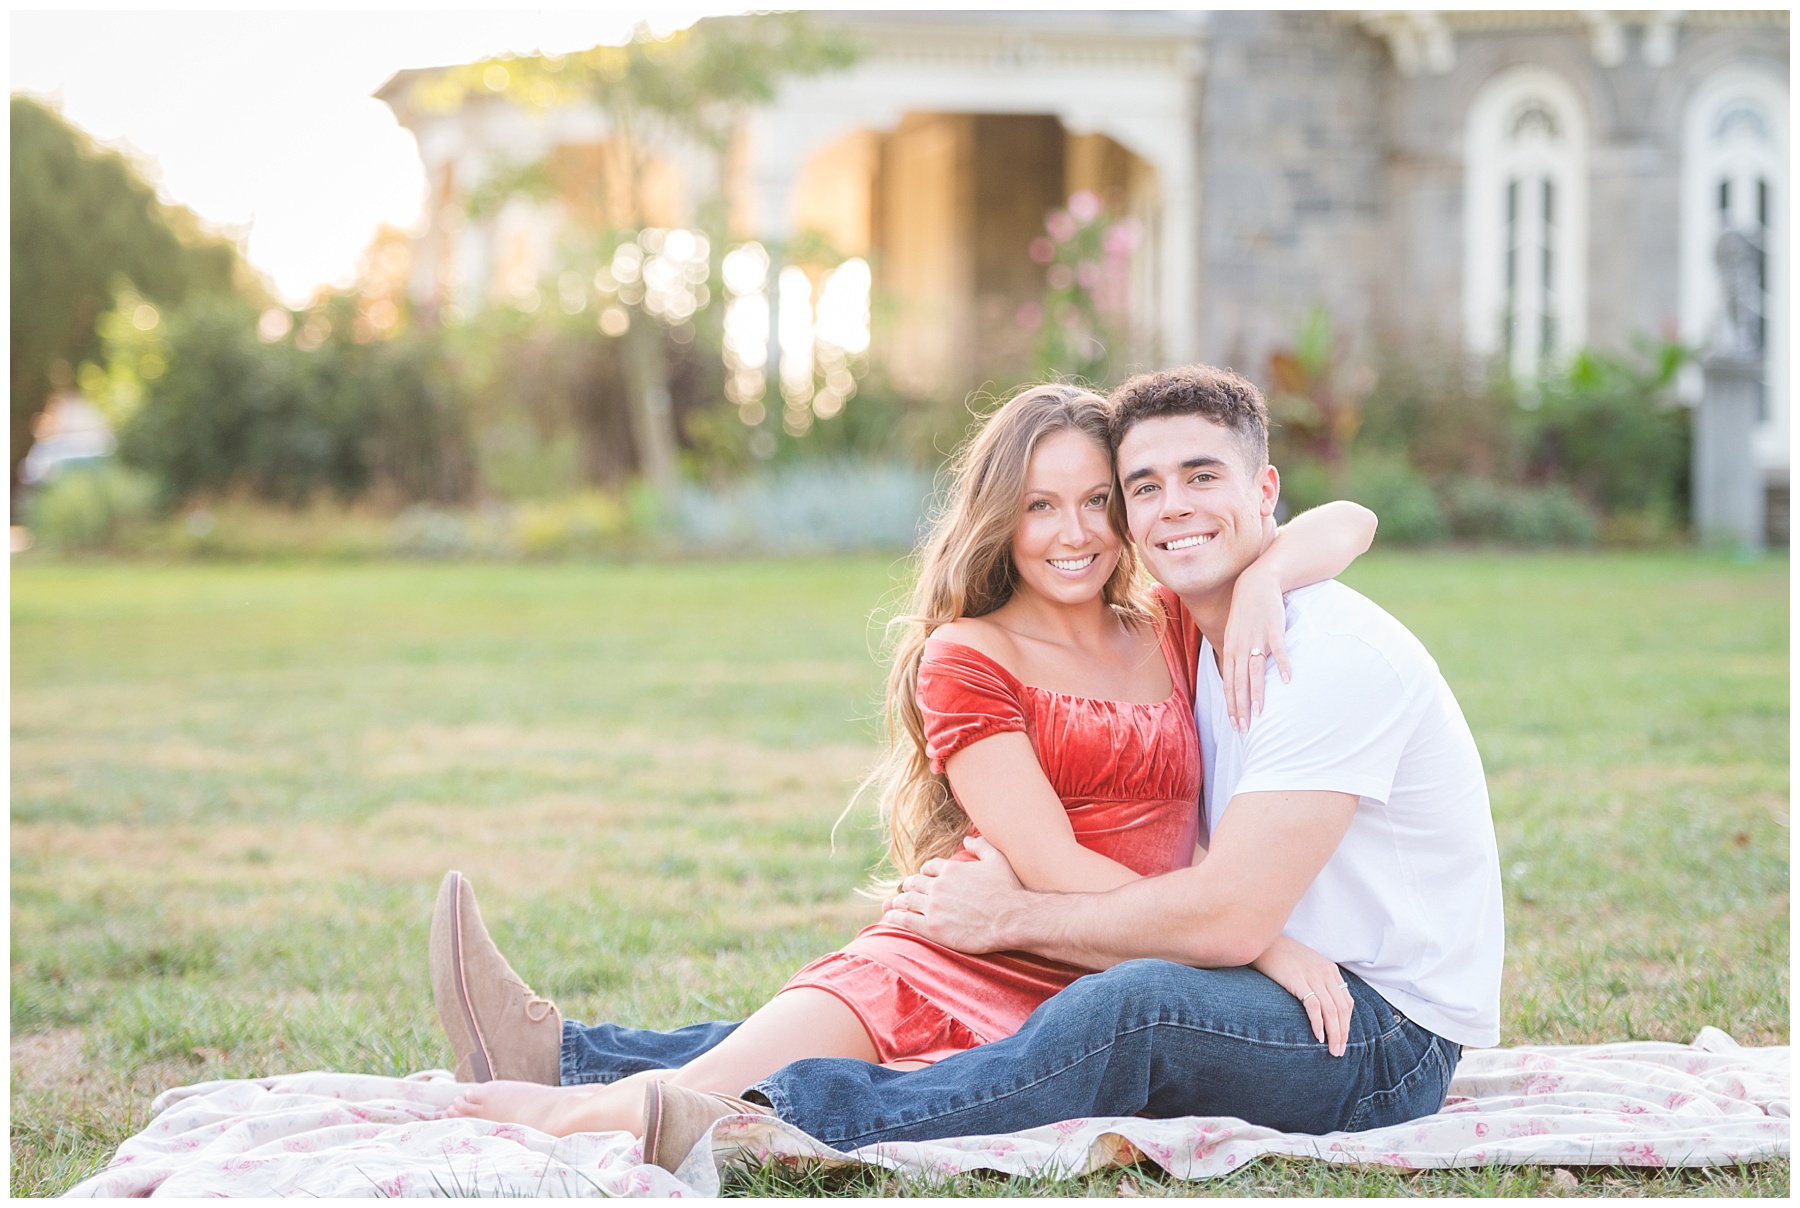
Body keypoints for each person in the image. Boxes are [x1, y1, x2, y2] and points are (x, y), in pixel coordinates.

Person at [429, 381, 1381, 1154]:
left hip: (1113, 971)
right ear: (1000, 518)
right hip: (971, 948)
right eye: (1041, 506)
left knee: (785, 1083)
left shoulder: (1168, 627)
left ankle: (559, 1056)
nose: (1075, 533)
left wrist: (1263, 576)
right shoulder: (967, 655)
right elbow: (1046, 861)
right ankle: (561, 1108)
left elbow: (1351, 518)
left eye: (1098, 501)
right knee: (704, 1097)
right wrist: (1251, 937)